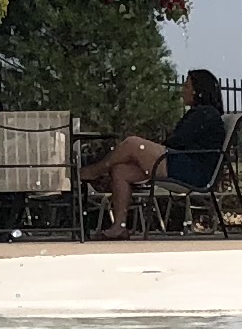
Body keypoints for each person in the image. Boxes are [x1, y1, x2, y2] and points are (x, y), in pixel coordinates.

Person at [82, 71, 230, 228]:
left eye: (187, 86)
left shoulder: (205, 114)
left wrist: (155, 149)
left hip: (191, 170)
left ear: (198, 91)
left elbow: (179, 141)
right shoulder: (202, 113)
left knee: (132, 143)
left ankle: (93, 171)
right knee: (121, 171)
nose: (183, 90)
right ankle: (119, 226)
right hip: (181, 164)